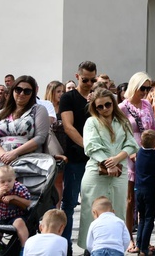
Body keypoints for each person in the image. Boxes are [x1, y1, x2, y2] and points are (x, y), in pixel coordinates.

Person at [78, 88, 138, 251]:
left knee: (117, 212)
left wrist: (117, 159)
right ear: (94, 108)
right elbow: (91, 146)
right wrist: (107, 163)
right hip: (95, 173)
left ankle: (116, 249)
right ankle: (89, 250)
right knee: (91, 214)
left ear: (113, 103)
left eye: (108, 104)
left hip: (119, 172)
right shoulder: (91, 122)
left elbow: (132, 143)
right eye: (100, 107)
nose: (104, 109)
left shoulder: (123, 121)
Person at [119, 72, 155, 253]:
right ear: (134, 86)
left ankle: (144, 240)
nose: (145, 92)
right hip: (131, 154)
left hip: (148, 155)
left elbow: (154, 126)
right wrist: (130, 152)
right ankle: (129, 239)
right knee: (130, 200)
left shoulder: (146, 105)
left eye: (148, 88)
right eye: (142, 88)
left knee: (147, 199)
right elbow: (120, 133)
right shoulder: (123, 107)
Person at [60, 60, 97, 243]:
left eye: (92, 80)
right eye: (85, 80)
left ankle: (90, 246)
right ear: (77, 77)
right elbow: (68, 127)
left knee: (94, 205)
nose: (89, 84)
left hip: (95, 159)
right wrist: (88, 147)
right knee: (69, 204)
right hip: (75, 158)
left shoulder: (97, 98)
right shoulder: (68, 98)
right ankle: (65, 246)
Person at [0, 75, 50, 167]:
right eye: (18, 89)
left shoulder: (38, 110)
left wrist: (14, 153)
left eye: (27, 91)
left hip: (28, 163)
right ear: (13, 90)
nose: (22, 93)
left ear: (32, 94)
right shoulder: (1, 113)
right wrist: (3, 155)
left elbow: (40, 137)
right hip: (3, 165)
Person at [135, 130, 155, 256]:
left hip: (138, 191)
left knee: (141, 219)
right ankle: (144, 249)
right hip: (150, 192)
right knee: (149, 220)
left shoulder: (139, 153)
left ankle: (139, 244)